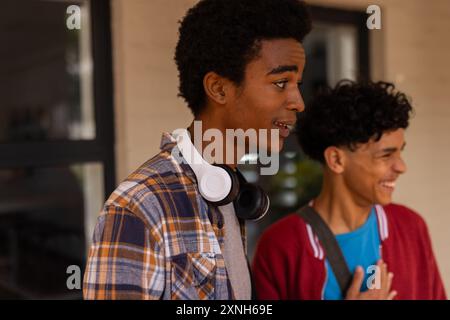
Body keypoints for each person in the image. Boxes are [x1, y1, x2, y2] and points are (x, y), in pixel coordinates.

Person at [83, 0, 311, 299]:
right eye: (281, 82)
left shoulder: (231, 193)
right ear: (218, 89)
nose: (299, 102)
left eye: (298, 83)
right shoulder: (139, 208)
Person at [252, 80, 447, 300]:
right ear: (336, 160)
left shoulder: (411, 227)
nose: (401, 167)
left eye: (400, 153)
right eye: (385, 155)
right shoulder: (280, 246)